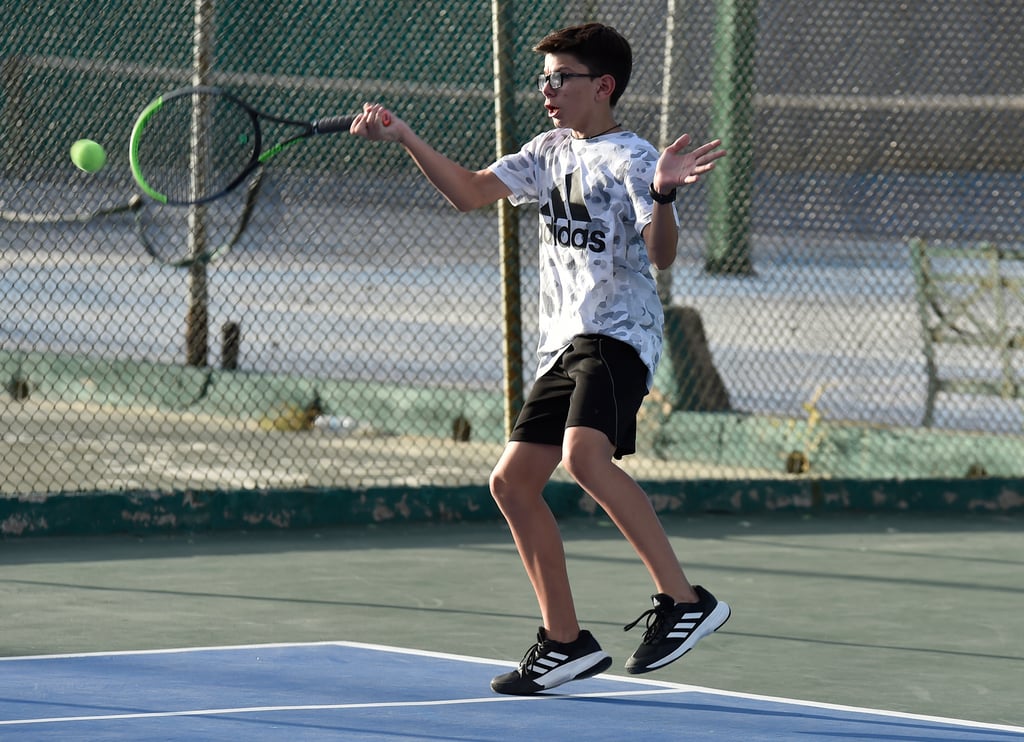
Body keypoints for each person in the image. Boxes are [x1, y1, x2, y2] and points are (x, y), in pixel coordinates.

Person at [351, 22, 730, 696]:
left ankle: (685, 600)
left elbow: (661, 254)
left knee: (584, 459)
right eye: (544, 79)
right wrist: (405, 136)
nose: (548, 90)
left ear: (602, 86)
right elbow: (469, 192)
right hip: (564, 345)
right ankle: (564, 642)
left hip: (617, 335)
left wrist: (666, 194)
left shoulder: (632, 158)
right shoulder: (548, 150)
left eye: (562, 78)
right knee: (512, 484)